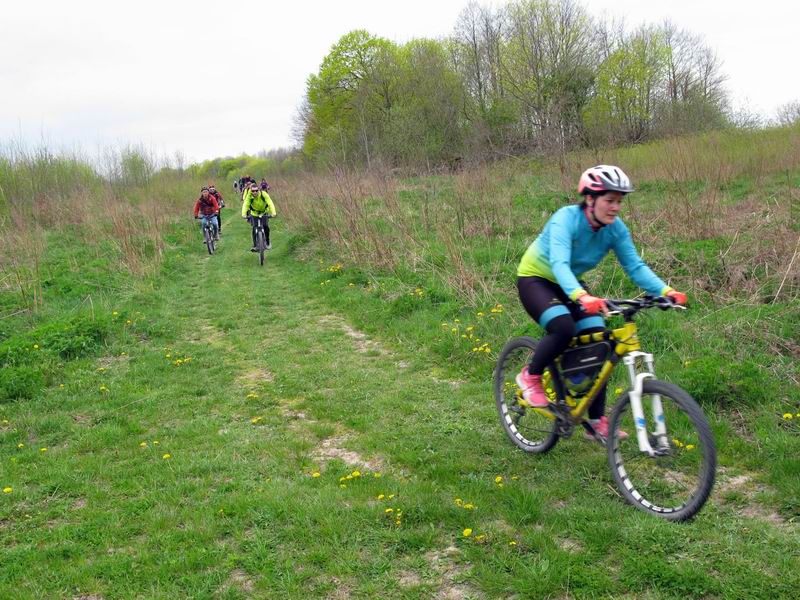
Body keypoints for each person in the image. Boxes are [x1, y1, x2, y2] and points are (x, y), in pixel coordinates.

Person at [515, 165, 687, 441]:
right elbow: (559, 263)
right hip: (536, 278)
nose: (616, 207)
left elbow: (635, 266)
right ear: (591, 199)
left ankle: (596, 420)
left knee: (601, 342)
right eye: (610, 200)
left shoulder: (615, 230)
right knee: (563, 326)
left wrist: (666, 290)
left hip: (571, 284)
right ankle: (531, 377)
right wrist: (581, 296)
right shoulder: (566, 219)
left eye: (619, 201)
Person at [241, 181, 276, 252]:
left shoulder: (264, 194)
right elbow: (246, 205)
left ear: (259, 190)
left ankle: (268, 242)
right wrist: (244, 214)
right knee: (254, 228)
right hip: (254, 213)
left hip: (264, 212)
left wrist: (273, 213)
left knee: (266, 226)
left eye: (256, 190)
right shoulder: (249, 196)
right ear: (251, 191)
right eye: (253, 191)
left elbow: (270, 203)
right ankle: (255, 245)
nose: (254, 192)